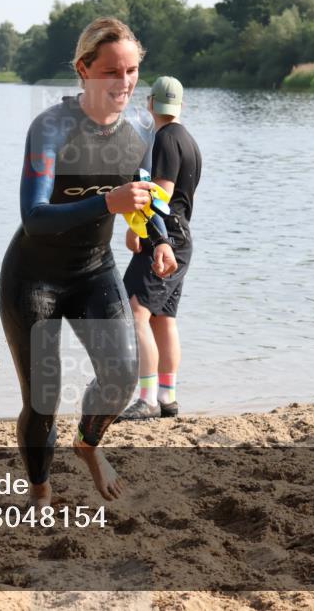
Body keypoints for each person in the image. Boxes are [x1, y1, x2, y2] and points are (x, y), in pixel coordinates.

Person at [0, 18, 178, 508]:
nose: (124, 83)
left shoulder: (141, 128)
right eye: (112, 72)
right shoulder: (51, 128)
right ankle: (39, 492)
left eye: (133, 71)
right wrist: (107, 204)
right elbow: (34, 218)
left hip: (93, 270)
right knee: (44, 398)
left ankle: (88, 444)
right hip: (33, 277)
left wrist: (158, 239)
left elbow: (142, 201)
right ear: (83, 69)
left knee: (122, 375)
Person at [117, 76, 202, 421]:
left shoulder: (164, 140)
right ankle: (167, 396)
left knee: (135, 312)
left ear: (151, 104)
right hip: (182, 238)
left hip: (165, 239)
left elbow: (160, 197)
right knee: (164, 318)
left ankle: (148, 398)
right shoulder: (189, 140)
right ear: (180, 106)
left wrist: (141, 232)